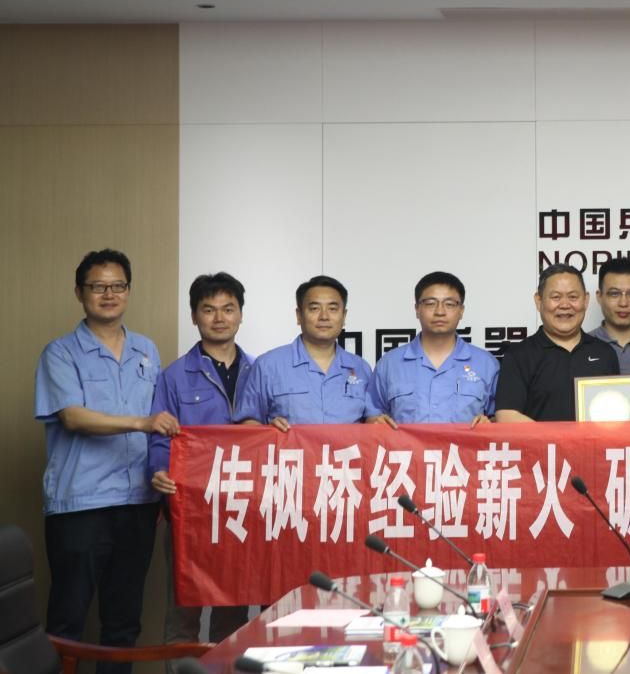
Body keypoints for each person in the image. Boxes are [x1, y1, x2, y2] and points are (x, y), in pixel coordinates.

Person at [34, 249, 174, 673]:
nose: (109, 294)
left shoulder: (146, 350)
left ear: (128, 291)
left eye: (118, 286)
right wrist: (141, 423)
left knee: (123, 624)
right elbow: (73, 417)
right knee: (67, 620)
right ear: (80, 292)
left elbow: (163, 421)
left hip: (137, 504)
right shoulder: (61, 352)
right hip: (81, 504)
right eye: (98, 286)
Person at [148, 273, 252, 661]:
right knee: (183, 615)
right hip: (188, 510)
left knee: (234, 615)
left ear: (241, 314)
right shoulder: (174, 376)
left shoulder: (260, 371)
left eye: (228, 309)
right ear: (194, 316)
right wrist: (158, 471)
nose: (219, 318)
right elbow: (160, 436)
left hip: (241, 510)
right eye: (209, 310)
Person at [232, 275, 373, 427]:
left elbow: (373, 422)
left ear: (344, 316)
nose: (324, 316)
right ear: (299, 315)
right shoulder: (268, 366)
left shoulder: (361, 368)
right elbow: (247, 421)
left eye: (333, 309)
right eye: (314, 308)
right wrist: (268, 432)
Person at [367, 271, 498, 427]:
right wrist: (375, 422)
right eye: (430, 303)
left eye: (449, 304)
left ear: (461, 311)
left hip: (464, 445)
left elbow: (499, 420)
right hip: (405, 445)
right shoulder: (390, 364)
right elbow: (371, 417)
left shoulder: (486, 364)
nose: (440, 312)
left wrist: (490, 424)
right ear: (417, 309)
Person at [495, 264, 619, 422]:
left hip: (595, 439)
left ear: (586, 300)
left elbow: (617, 413)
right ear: (538, 301)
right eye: (556, 297)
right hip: (538, 440)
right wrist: (558, 437)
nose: (565, 305)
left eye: (573, 297)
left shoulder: (605, 353)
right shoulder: (518, 356)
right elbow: (507, 416)